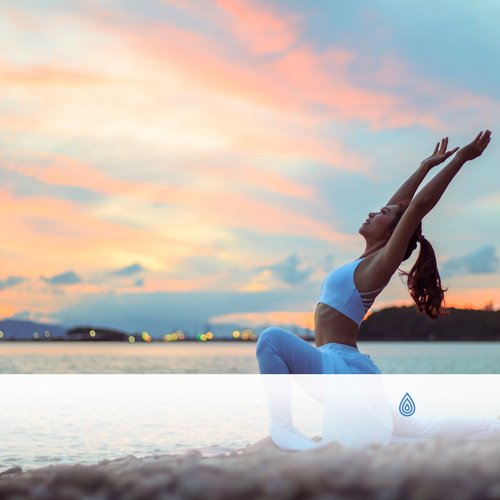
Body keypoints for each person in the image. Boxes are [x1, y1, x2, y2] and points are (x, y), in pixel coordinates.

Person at [255, 131, 500, 450]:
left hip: (340, 370)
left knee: (271, 339)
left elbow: (416, 208)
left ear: (391, 233)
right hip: (346, 370)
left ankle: (283, 429)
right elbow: (399, 207)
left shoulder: (378, 266)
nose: (373, 212)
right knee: (416, 429)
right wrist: (424, 166)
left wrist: (459, 160)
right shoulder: (367, 261)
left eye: (381, 215)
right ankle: (494, 428)